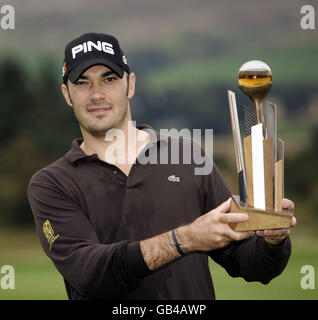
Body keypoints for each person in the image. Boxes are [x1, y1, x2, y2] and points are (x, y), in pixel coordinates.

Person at [27, 32, 296, 300]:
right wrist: (185, 239)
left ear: (130, 85)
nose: (97, 94)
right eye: (83, 83)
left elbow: (252, 265)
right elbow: (92, 274)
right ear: (67, 94)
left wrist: (272, 240)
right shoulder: (52, 184)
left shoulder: (188, 156)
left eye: (109, 79)